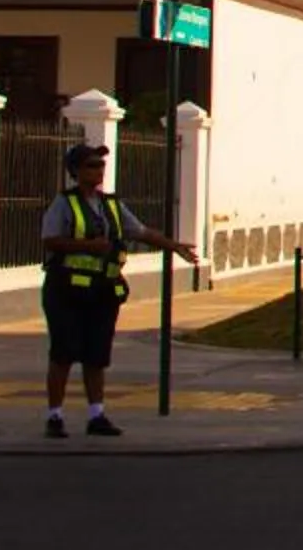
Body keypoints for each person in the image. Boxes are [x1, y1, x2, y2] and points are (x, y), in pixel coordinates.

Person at [40, 141, 198, 440]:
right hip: (66, 291)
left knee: (97, 354)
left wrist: (174, 246)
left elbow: (140, 231)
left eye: (101, 164)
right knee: (63, 352)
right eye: (91, 165)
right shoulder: (64, 203)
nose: (99, 170)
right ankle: (55, 416)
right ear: (76, 171)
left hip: (102, 291)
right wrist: (88, 246)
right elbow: (49, 239)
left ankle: (96, 415)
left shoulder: (111, 205)